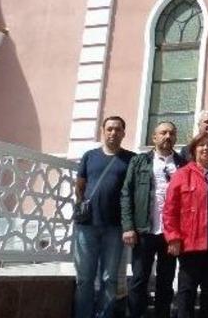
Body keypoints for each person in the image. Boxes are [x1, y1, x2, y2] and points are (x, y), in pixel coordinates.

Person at [120, 121, 187, 318]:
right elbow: (126, 193)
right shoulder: (139, 161)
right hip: (144, 230)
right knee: (139, 279)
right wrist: (128, 226)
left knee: (166, 282)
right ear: (154, 138)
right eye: (163, 133)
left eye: (172, 133)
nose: (168, 136)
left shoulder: (183, 165)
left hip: (171, 234)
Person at [163, 131, 208, 318]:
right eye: (201, 145)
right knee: (187, 291)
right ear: (194, 150)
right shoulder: (182, 174)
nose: (206, 148)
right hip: (189, 242)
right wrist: (173, 238)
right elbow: (170, 209)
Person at [74, 116, 135, 318]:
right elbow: (80, 186)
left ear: (123, 133)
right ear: (103, 130)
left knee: (109, 279)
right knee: (84, 278)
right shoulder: (89, 156)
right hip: (87, 226)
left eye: (118, 129)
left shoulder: (131, 159)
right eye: (109, 129)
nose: (113, 133)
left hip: (115, 227)